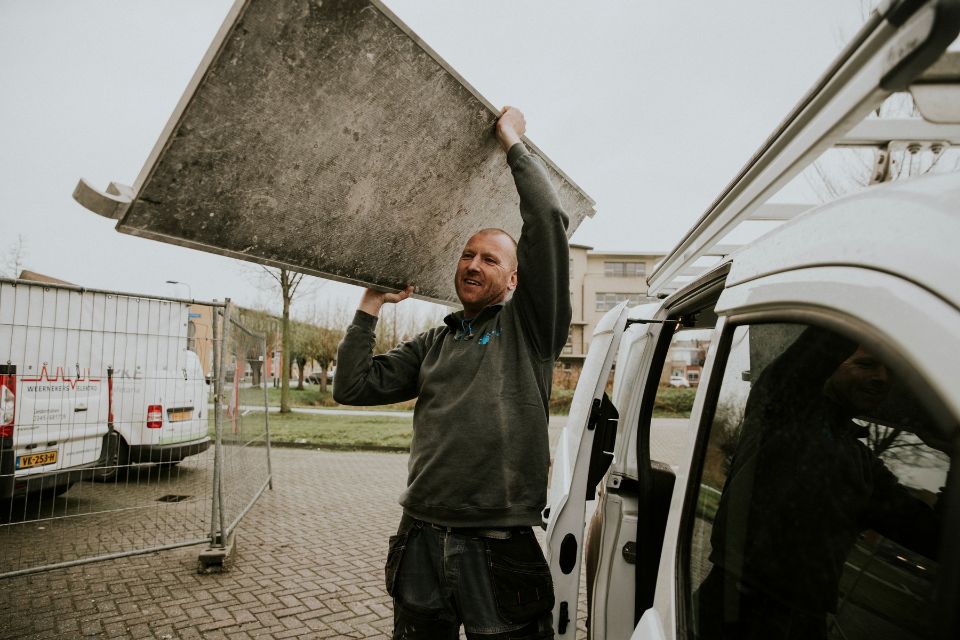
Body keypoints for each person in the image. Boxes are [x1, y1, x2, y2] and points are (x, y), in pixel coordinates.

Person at [333, 106, 570, 640]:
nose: (472, 265)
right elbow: (352, 386)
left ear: (513, 280)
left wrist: (513, 143)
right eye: (467, 255)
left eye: (489, 259)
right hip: (420, 537)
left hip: (498, 544)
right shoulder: (433, 343)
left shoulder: (531, 328)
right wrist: (371, 304)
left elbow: (548, 220)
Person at [695, 327, 941, 640]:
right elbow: (826, 338)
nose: (883, 378)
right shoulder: (781, 408)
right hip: (732, 612)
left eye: (889, 370)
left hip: (805, 624)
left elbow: (934, 535)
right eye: (866, 364)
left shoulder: (865, 465)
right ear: (830, 365)